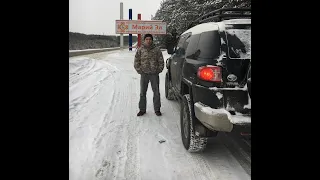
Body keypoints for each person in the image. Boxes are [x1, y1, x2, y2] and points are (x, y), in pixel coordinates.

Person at [134, 34, 164, 116]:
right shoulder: (140, 50)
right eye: (146, 39)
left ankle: (157, 109)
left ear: (152, 40)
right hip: (144, 74)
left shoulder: (157, 50)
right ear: (144, 40)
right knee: (142, 93)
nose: (148, 40)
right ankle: (142, 109)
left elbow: (161, 61)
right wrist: (140, 70)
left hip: (154, 74)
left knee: (156, 92)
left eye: (150, 39)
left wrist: (158, 70)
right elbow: (136, 61)